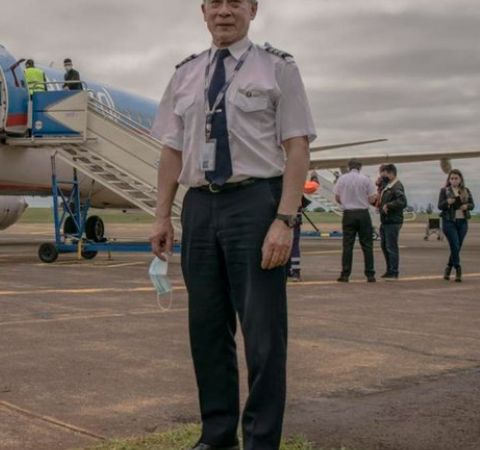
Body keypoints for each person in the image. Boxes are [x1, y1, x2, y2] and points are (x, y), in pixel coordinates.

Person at [150, 0, 316, 448]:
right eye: (215, 3)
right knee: (206, 330)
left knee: (262, 334)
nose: (225, 12)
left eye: (235, 3)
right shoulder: (185, 74)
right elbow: (171, 150)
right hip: (200, 206)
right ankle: (216, 435)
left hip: (256, 204)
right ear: (202, 11)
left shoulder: (277, 68)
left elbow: (297, 147)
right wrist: (163, 213)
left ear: (253, 10)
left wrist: (285, 218)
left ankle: (261, 440)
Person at [334, 159, 377, 283]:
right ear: (360, 167)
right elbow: (372, 198)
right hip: (363, 213)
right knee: (367, 245)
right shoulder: (366, 179)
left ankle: (345, 274)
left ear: (348, 167)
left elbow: (337, 197)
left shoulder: (342, 179)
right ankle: (370, 274)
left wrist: (346, 202)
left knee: (347, 245)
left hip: (348, 214)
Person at [438, 169, 474, 282]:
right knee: (454, 244)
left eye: (456, 178)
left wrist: (466, 207)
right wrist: (447, 202)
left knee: (457, 247)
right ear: (449, 180)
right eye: (452, 178)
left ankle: (448, 267)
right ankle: (458, 268)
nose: (454, 180)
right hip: (449, 221)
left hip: (462, 222)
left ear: (460, 179)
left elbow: (472, 205)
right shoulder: (444, 191)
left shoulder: (465, 190)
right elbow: (440, 206)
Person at [377, 164, 407, 280]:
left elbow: (402, 201)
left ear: (390, 173)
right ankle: (389, 270)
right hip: (386, 221)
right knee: (384, 246)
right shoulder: (388, 186)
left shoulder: (396, 186)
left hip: (393, 221)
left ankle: (394, 271)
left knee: (391, 246)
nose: (382, 176)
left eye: (383, 173)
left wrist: (389, 205)